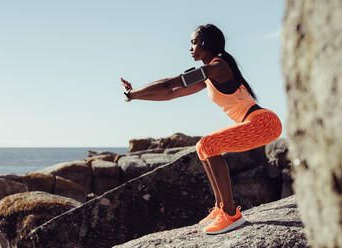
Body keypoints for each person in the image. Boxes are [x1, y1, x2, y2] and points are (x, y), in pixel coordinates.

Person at [120, 24, 282, 235]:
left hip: (263, 123)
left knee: (209, 144)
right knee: (202, 147)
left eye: (194, 42)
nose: (190, 47)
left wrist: (134, 93)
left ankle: (231, 214)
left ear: (207, 44)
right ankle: (220, 208)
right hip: (256, 123)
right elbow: (172, 93)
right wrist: (134, 95)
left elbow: (170, 84)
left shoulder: (217, 67)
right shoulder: (208, 76)